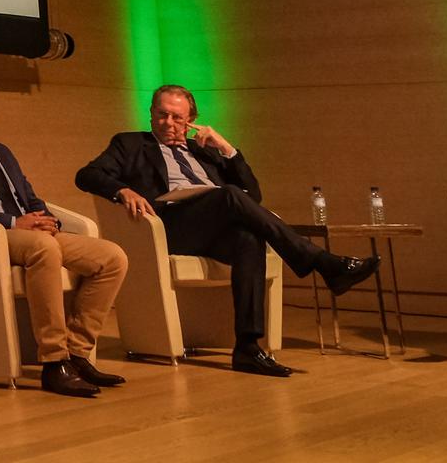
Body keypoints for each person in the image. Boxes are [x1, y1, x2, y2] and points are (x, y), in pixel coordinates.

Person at [74, 84, 378, 377]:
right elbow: (87, 175)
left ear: (191, 121)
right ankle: (320, 262)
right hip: (168, 226)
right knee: (229, 194)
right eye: (161, 114)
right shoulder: (130, 144)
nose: (168, 123)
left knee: (248, 237)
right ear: (151, 113)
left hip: (212, 226)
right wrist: (122, 190)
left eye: (177, 117)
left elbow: (253, 196)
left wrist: (227, 149)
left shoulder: (205, 152)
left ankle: (247, 347)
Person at [0, 76, 129, 397]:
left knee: (112, 257)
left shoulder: (2, 152)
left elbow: (29, 196)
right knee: (44, 249)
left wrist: (48, 220)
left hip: (28, 232)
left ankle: (77, 352)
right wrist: (15, 222)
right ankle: (54, 362)